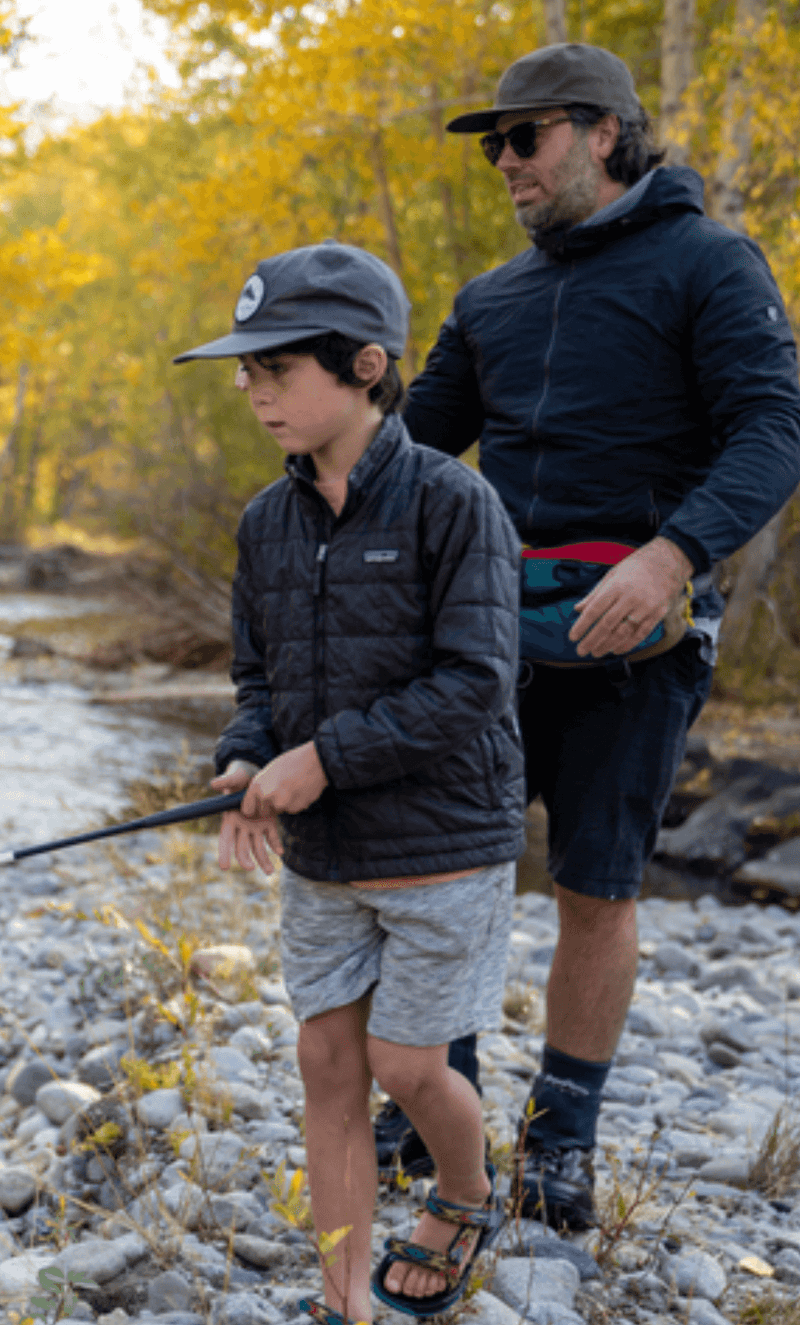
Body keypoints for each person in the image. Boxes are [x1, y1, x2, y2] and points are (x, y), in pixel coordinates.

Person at [386, 43, 800, 1230]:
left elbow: (773, 429)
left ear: (604, 134)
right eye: (493, 146)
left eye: (523, 138)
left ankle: (560, 1137)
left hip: (637, 633)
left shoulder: (710, 263)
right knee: (450, 867)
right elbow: (410, 457)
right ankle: (434, 1104)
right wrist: (314, 408)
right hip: (480, 637)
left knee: (592, 884)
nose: (503, 162)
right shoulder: (489, 300)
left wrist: (669, 554)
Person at [175, 242, 526, 1323]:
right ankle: (344, 1302)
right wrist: (245, 757)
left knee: (407, 1061)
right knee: (327, 1056)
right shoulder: (262, 522)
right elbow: (258, 679)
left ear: (365, 366)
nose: (251, 389)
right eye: (244, 370)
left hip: (439, 846)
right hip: (325, 859)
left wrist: (318, 759)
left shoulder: (451, 502)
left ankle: (465, 1192)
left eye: (274, 368)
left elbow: (472, 682)